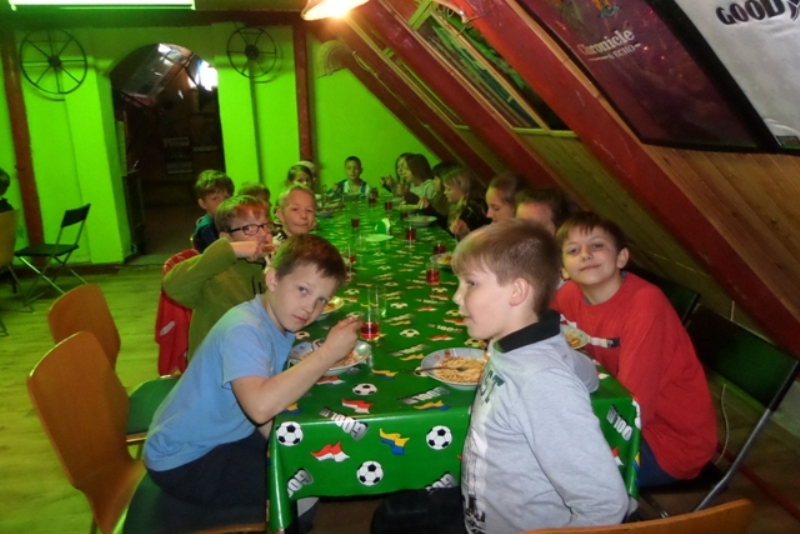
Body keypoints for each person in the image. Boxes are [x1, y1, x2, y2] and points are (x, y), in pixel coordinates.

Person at [372, 219, 627, 534]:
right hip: (483, 509)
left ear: (517, 291)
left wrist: (553, 372)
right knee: (390, 517)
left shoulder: (541, 383)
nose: (456, 297)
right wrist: (564, 356)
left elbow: (605, 504)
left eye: (471, 283)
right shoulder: (518, 342)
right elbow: (589, 377)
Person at [145, 234, 359, 519]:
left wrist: (285, 451)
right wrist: (328, 353)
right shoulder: (244, 329)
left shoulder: (272, 319)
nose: (310, 308)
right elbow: (259, 408)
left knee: (308, 457)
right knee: (304, 489)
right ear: (272, 280)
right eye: (303, 290)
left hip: (223, 432)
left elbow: (263, 405)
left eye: (322, 299)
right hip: (185, 459)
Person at [552, 212, 717, 488]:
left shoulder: (645, 304)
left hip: (668, 441)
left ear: (621, 258)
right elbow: (538, 334)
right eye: (573, 250)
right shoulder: (568, 295)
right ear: (564, 269)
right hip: (614, 410)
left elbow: (635, 406)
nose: (585, 254)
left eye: (597, 245)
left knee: (551, 470)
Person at [164, 195, 274, 360]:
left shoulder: (269, 268)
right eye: (249, 228)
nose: (263, 234)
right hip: (216, 366)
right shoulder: (215, 274)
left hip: (255, 358)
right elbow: (173, 286)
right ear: (227, 239)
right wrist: (230, 250)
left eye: (265, 225)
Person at [442, 166, 490, 240]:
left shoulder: (471, 209)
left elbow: (452, 235)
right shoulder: (457, 205)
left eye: (448, 189)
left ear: (462, 188)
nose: (445, 192)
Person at [193, 169, 234, 253]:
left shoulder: (222, 220)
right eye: (215, 198)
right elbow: (219, 253)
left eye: (226, 197)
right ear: (203, 204)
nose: (223, 202)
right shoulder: (207, 228)